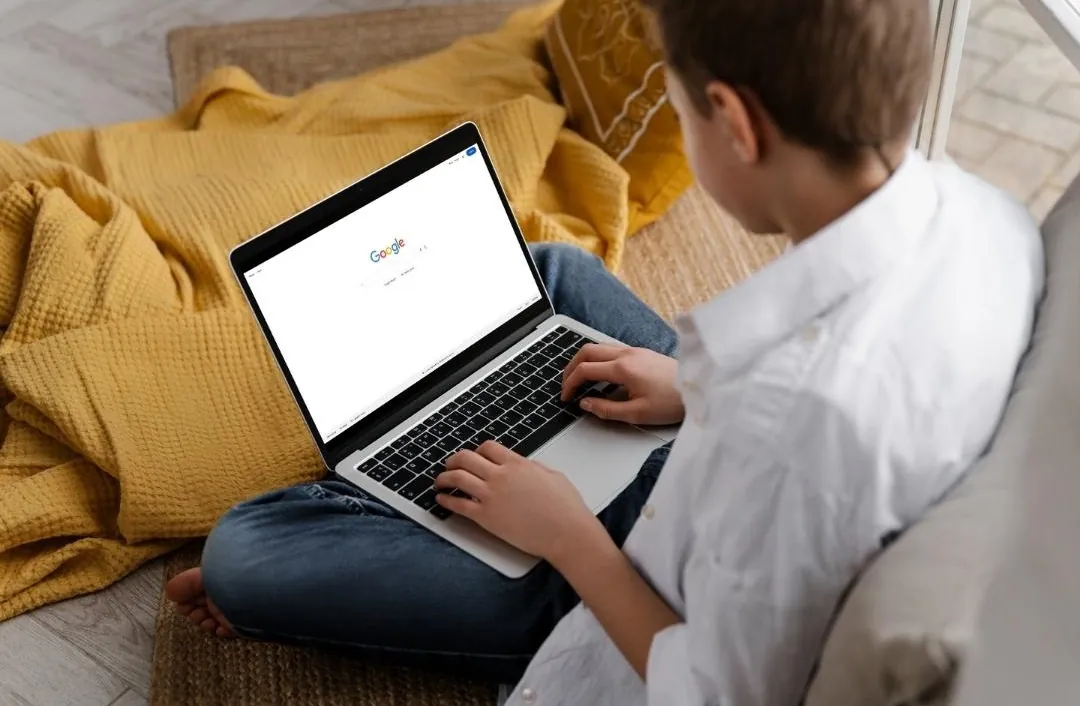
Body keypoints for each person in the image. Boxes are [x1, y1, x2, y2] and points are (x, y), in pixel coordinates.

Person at [166, 0, 1046, 703]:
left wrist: (567, 536)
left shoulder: (797, 419)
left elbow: (716, 691)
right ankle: (415, 463)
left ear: (734, 123)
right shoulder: (986, 211)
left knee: (246, 554)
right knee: (549, 273)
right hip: (719, 460)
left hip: (636, 577)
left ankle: (408, 492)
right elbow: (790, 401)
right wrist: (689, 387)